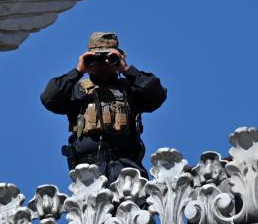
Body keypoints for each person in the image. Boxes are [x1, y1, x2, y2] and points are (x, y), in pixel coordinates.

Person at [40, 32, 167, 183]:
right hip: (88, 171)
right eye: (97, 58)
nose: (103, 63)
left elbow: (157, 94)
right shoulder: (77, 91)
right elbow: (48, 98)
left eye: (110, 58)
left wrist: (127, 70)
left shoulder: (130, 89)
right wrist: (78, 72)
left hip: (126, 167)